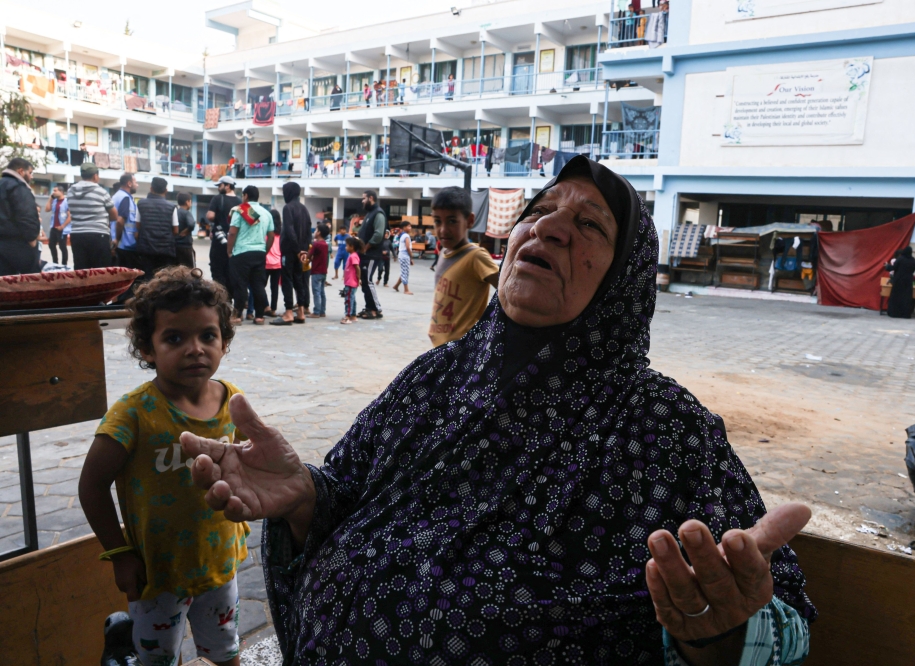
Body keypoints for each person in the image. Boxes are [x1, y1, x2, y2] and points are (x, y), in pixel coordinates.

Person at [181, 156, 814, 665]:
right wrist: (303, 497)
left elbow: (768, 613)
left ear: (624, 277)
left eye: (590, 225)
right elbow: (345, 492)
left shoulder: (664, 427)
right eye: (538, 212)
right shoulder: (435, 374)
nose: (549, 227)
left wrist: (715, 633)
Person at [78, 267, 247, 666]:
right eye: (174, 338)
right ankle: (123, 642)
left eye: (208, 335)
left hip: (220, 563)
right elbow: (91, 486)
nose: (195, 348)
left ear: (224, 341)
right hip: (156, 576)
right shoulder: (133, 414)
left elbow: (240, 468)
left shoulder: (233, 402)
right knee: (157, 659)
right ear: (147, 349)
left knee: (226, 649)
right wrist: (119, 553)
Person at [426, 188, 499, 345]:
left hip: (462, 350)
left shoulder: (476, 256)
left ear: (470, 220)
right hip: (440, 348)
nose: (443, 229)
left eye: (452, 221)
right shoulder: (443, 253)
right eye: (438, 221)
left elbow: (507, 290)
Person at [227, 185, 275, 326]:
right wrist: (264, 251)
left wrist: (229, 250)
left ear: (246, 195)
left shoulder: (240, 211)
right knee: (258, 285)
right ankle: (259, 317)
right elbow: (271, 236)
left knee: (240, 285)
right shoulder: (267, 213)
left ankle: (237, 316)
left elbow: (232, 232)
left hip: (242, 252)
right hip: (259, 253)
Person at [271, 182, 311, 326]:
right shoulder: (304, 209)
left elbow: (289, 230)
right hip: (301, 252)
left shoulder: (288, 208)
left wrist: (296, 249)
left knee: (287, 280)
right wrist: (304, 250)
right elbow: (308, 231)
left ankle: (289, 312)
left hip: (289, 250)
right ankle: (300, 311)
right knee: (298, 280)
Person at [66, 163, 119, 269]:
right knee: (100, 271)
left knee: (81, 271)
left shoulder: (70, 191)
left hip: (77, 235)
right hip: (98, 235)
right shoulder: (101, 192)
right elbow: (114, 216)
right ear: (95, 176)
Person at [0, 157, 42, 276]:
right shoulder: (18, 187)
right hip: (17, 243)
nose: (31, 176)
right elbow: (26, 215)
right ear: (20, 171)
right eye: (30, 173)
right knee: (32, 282)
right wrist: (32, 238)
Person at [135, 177, 179, 279]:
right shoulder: (172, 207)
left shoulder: (141, 204)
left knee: (146, 278)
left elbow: (137, 225)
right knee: (163, 279)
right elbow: (176, 230)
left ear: (151, 189)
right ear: (166, 190)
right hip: (166, 250)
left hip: (146, 248)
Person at [207, 176, 241, 296]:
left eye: (220, 185)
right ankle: (232, 297)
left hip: (219, 241)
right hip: (235, 241)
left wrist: (219, 217)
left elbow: (210, 216)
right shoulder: (240, 201)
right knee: (231, 270)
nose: (218, 188)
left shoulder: (217, 199)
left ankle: (220, 297)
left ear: (227, 186)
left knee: (217, 270)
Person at [356, 190, 386, 319]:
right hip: (365, 254)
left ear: (371, 198)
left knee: (367, 281)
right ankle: (369, 307)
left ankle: (376, 309)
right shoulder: (370, 213)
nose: (362, 201)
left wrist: (366, 247)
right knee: (364, 281)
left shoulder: (378, 213)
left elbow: (378, 234)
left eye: (364, 198)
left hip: (371, 254)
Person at [112, 173, 141, 271]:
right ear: (129, 183)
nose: (137, 185)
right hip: (125, 245)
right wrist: (117, 239)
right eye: (135, 182)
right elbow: (120, 221)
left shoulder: (117, 196)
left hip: (120, 244)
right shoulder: (125, 198)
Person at [885, 246, 915, 319]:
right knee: (906, 298)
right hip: (908, 281)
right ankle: (905, 314)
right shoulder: (913, 260)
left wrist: (887, 266)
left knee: (896, 296)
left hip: (899, 280)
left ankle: (894, 313)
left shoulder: (900, 259)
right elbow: (913, 269)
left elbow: (894, 268)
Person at [307, 224, 330, 318]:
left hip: (316, 271)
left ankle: (316, 311)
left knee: (316, 291)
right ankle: (322, 311)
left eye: (316, 230)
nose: (314, 232)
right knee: (322, 291)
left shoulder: (316, 244)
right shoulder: (325, 244)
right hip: (323, 271)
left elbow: (309, 256)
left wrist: (306, 258)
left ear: (319, 232)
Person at [45, 184, 70, 265]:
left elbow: (70, 216)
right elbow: (47, 209)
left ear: (61, 192)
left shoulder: (66, 201)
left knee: (62, 247)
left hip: (62, 229)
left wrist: (62, 226)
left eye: (55, 191)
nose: (54, 192)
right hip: (54, 227)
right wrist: (50, 199)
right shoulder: (55, 201)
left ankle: (64, 264)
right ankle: (55, 262)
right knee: (51, 245)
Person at [341, 236, 361, 324]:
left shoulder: (353, 256)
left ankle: (347, 316)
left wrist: (358, 279)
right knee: (352, 298)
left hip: (351, 282)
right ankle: (353, 315)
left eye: (347, 245)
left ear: (352, 246)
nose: (346, 247)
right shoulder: (352, 256)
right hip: (350, 281)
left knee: (348, 299)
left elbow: (357, 268)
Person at [265, 212, 283, 317]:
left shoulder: (267, 233)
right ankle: (273, 309)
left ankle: (265, 305)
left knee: (261, 286)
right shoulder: (281, 233)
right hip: (278, 263)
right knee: (274, 287)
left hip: (266, 263)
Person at [175, 192, 197, 269]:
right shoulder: (186, 213)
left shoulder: (175, 213)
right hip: (185, 246)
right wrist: (187, 231)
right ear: (187, 202)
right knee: (189, 270)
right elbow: (191, 224)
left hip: (174, 246)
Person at [392, 220, 413, 295]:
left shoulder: (402, 235)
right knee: (405, 272)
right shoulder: (406, 236)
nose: (410, 228)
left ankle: (396, 285)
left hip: (402, 254)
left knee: (404, 271)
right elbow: (407, 247)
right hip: (405, 254)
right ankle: (406, 289)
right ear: (404, 227)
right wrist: (411, 256)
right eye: (409, 226)